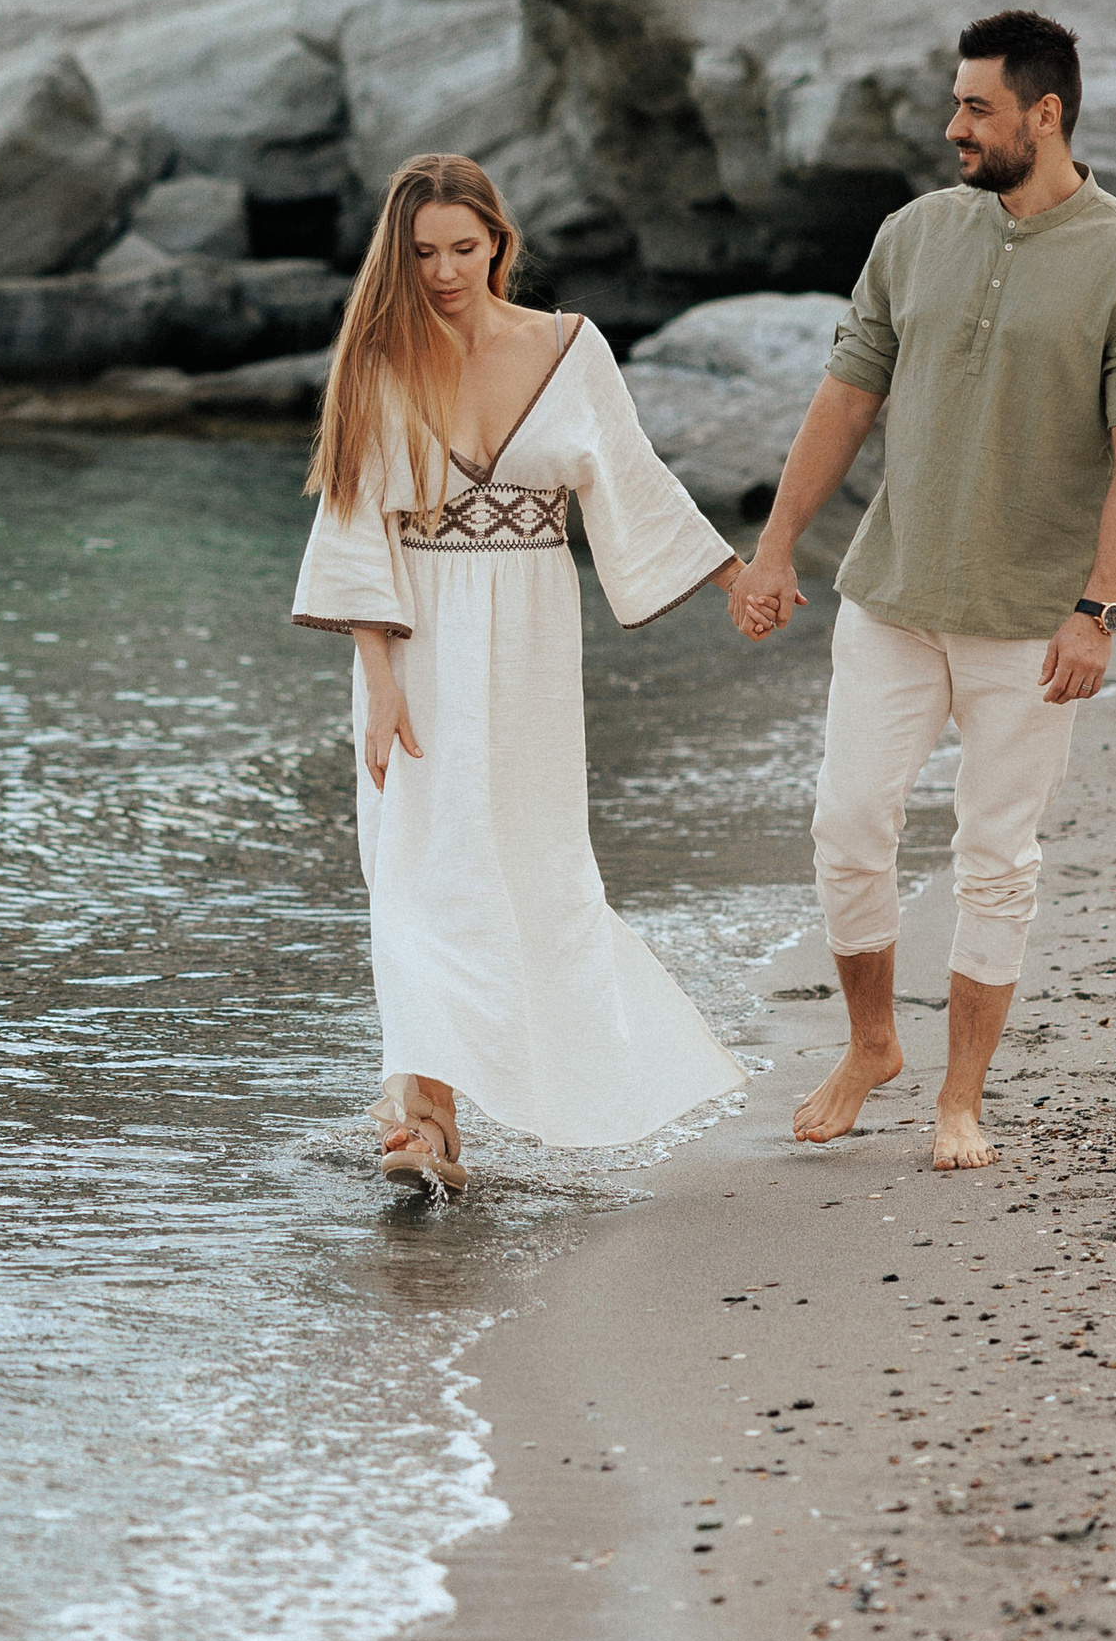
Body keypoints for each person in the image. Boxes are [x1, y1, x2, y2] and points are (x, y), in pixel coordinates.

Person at [734, 8, 1116, 1172]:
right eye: (955, 104)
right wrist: (775, 545)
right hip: (891, 594)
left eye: (975, 107)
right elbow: (845, 398)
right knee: (847, 826)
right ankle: (871, 1045)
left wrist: (1096, 610)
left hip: (1034, 624)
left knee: (996, 859)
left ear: (1044, 115)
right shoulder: (913, 234)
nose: (954, 126)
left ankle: (960, 1101)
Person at [292, 150, 763, 1193]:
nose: (445, 271)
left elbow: (631, 481)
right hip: (415, 637)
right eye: (422, 254)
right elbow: (355, 522)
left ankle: (466, 1106)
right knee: (415, 875)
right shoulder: (379, 359)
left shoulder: (568, 348)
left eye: (464, 248)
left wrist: (735, 575)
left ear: (499, 244)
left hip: (532, 638)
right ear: (398, 257)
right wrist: (378, 684)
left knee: (526, 866)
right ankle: (426, 1118)